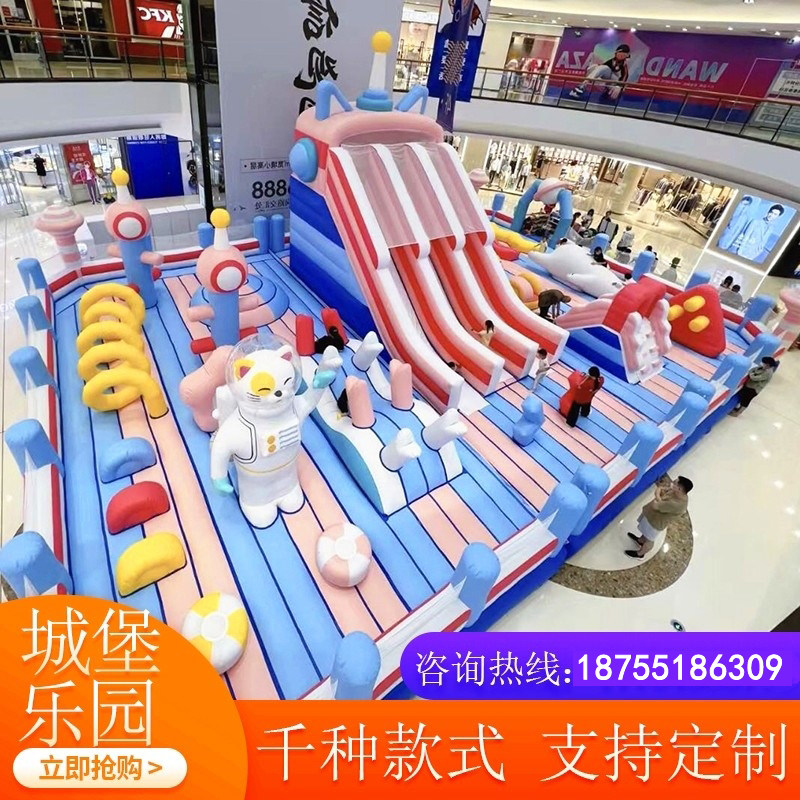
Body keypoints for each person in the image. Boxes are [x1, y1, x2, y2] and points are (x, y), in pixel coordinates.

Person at [625, 475, 693, 559]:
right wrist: (660, 495)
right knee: (646, 532)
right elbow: (664, 494)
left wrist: (658, 492)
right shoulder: (678, 493)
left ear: (679, 489)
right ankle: (641, 540)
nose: (672, 483)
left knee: (649, 539)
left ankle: (640, 554)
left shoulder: (676, 504)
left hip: (656, 522)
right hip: (652, 516)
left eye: (674, 483)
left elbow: (656, 505)